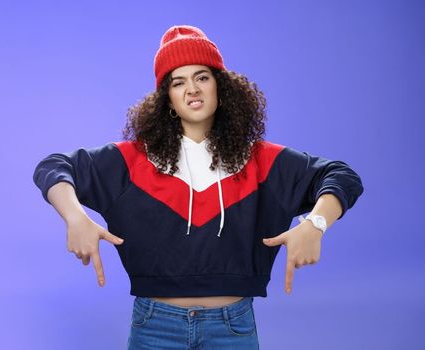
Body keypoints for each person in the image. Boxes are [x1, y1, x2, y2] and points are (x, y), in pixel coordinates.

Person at [31, 25, 364, 349]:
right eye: (179, 82)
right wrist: (75, 217)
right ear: (168, 100)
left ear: (222, 89)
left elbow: (341, 176)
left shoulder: (262, 161)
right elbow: (54, 167)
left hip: (232, 328)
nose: (192, 89)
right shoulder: (131, 161)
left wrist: (315, 224)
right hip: (154, 326)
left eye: (202, 77)